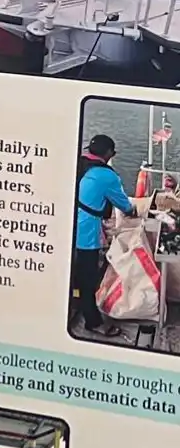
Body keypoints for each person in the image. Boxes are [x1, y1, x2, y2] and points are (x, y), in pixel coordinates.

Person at [74, 134, 136, 336]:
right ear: (109, 154)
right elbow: (124, 205)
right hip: (86, 234)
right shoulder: (106, 176)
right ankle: (93, 322)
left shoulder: (77, 162)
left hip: (67, 226)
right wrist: (132, 211)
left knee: (72, 271)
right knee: (88, 278)